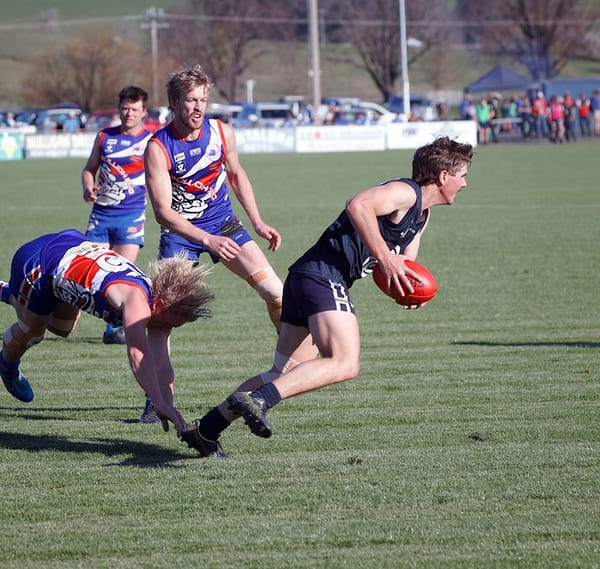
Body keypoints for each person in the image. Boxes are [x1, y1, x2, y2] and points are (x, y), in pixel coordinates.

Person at [180, 136, 474, 458]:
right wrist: (385, 257)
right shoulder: (406, 192)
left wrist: (410, 292)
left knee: (283, 373)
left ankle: (206, 430)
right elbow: (357, 205)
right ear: (443, 176)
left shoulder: (422, 216)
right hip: (323, 277)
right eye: (462, 175)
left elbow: (403, 266)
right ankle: (261, 400)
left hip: (306, 279)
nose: (465, 183)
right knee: (346, 363)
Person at [142, 64, 284, 423]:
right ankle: (156, 396)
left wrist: (257, 221)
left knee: (276, 293)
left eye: (204, 99)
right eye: (191, 100)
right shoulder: (158, 148)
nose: (199, 107)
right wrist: (207, 240)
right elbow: (162, 212)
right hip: (182, 233)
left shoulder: (222, 132)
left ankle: (289, 364)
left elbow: (236, 174)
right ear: (174, 103)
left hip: (225, 223)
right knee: (160, 322)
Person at [0, 228, 214, 432]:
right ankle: (6, 363)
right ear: (159, 304)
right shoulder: (137, 302)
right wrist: (157, 401)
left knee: (62, 328)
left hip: (68, 251)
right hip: (39, 262)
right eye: (173, 321)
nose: (171, 328)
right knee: (34, 330)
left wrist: (168, 404)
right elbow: (139, 355)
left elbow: (162, 362)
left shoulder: (159, 308)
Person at [80, 86, 152, 346]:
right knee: (93, 273)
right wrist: (87, 187)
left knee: (120, 275)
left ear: (144, 111)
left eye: (134, 108)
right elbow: (89, 169)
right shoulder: (104, 137)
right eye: (125, 107)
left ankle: (114, 328)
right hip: (101, 216)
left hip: (131, 218)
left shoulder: (151, 142)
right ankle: (74, 317)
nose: (129, 113)